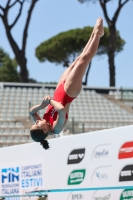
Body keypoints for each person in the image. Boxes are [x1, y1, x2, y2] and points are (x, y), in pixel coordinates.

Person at [30, 17, 104, 150]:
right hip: (69, 93)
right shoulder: (55, 129)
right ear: (45, 131)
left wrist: (42, 105)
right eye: (36, 124)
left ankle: (95, 33)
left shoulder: (43, 122)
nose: (36, 121)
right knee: (83, 60)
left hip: (59, 88)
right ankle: (98, 34)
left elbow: (31, 112)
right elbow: (62, 110)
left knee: (77, 59)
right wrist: (50, 101)